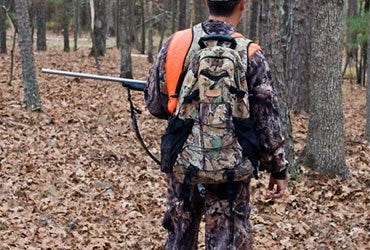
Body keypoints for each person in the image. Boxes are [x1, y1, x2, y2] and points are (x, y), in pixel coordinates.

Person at [145, 0, 289, 249]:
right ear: (242, 4)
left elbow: (155, 104)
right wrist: (278, 168)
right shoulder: (250, 53)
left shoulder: (177, 43)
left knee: (179, 235)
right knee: (228, 239)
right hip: (232, 167)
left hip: (183, 158)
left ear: (205, 2)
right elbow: (267, 120)